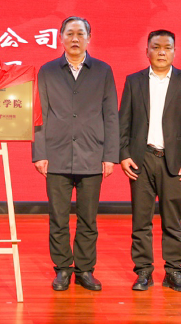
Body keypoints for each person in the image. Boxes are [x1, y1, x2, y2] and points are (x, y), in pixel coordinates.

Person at [32, 16, 119, 292]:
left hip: (92, 154)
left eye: (80, 33)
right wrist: (39, 153)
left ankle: (84, 269)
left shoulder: (103, 70)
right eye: (69, 33)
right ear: (60, 37)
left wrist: (110, 155)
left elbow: (111, 115)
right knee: (58, 217)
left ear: (89, 39)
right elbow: (39, 114)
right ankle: (62, 269)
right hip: (56, 154)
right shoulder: (48, 71)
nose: (75, 39)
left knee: (88, 218)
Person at [118, 30, 181, 293]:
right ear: (147, 51)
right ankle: (143, 271)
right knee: (141, 221)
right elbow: (123, 122)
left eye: (167, 47)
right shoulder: (134, 81)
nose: (162, 52)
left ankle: (174, 272)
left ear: (175, 51)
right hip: (140, 160)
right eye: (156, 47)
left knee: (172, 221)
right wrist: (123, 154)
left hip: (174, 162)